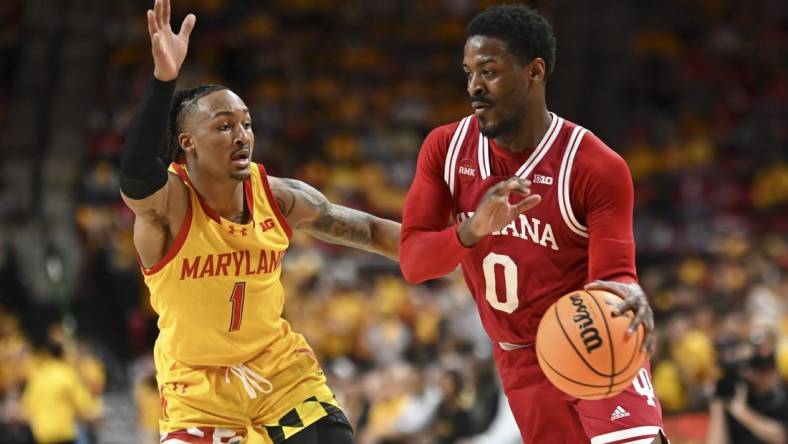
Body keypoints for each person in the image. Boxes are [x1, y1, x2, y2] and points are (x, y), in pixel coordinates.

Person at [119, 1, 400, 443]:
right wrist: (163, 81)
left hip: (280, 376)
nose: (242, 135)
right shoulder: (169, 206)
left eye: (246, 124)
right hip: (198, 390)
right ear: (187, 143)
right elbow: (135, 175)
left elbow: (367, 229)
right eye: (225, 126)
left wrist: (456, 245)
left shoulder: (277, 196)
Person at [400, 4, 666, 443]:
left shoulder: (595, 165)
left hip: (590, 335)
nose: (475, 87)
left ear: (534, 71)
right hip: (519, 360)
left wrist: (631, 293)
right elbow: (414, 263)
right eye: (468, 73)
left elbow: (615, 274)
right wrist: (472, 229)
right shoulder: (445, 149)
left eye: (489, 71)